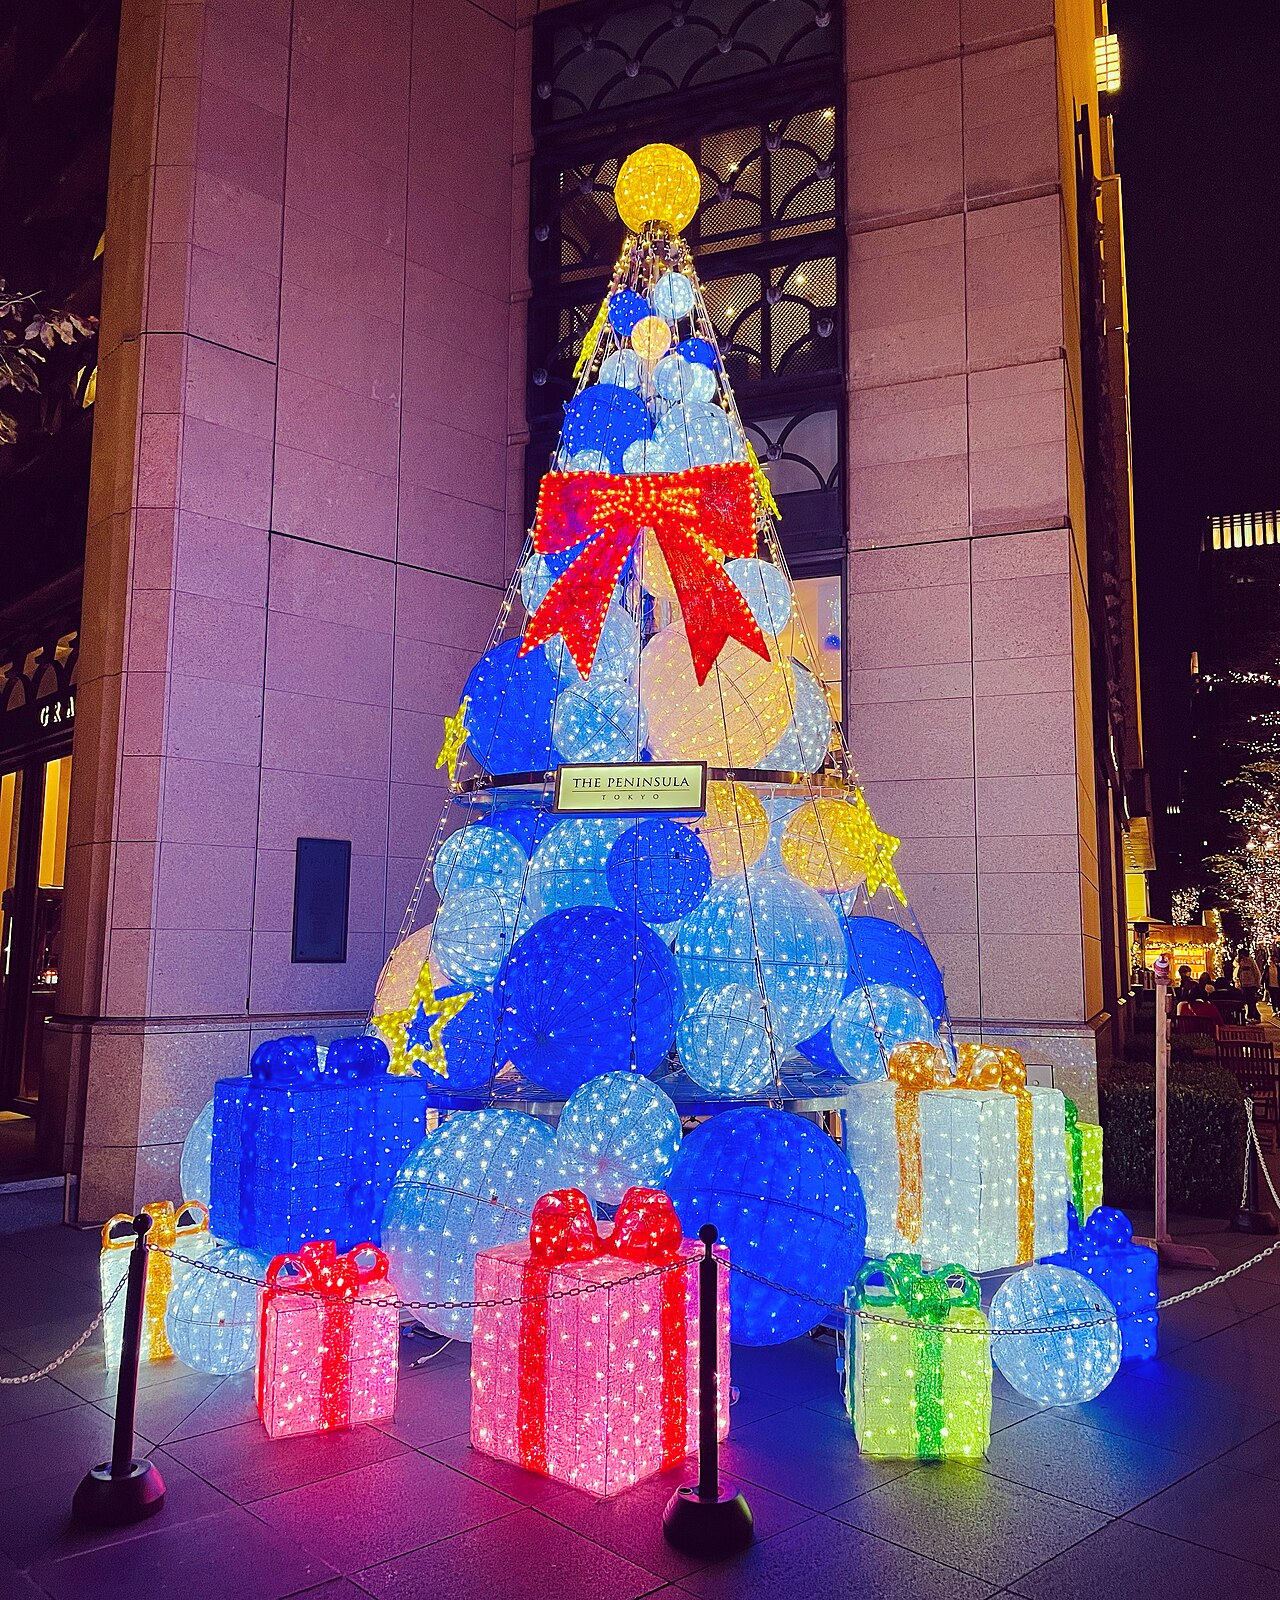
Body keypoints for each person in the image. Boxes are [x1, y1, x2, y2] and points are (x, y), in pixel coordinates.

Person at [1236, 947, 1263, 1023]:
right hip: (1244, 984)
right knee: (1248, 1001)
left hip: (1251, 984)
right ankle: (1253, 1015)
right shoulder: (1241, 962)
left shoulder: (1250, 961)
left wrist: (1258, 983)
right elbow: (1240, 973)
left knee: (1251, 1000)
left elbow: (1256, 972)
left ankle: (1253, 1016)